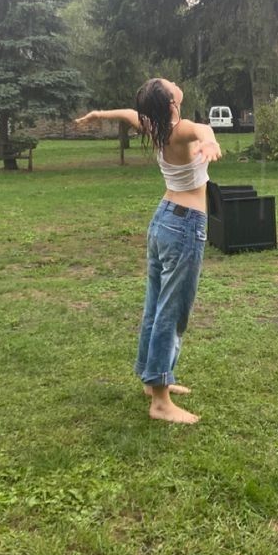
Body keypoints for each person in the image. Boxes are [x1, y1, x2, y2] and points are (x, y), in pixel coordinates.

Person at [76, 78, 222, 423]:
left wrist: (99, 113)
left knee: (156, 305)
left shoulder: (153, 125)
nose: (173, 82)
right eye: (169, 84)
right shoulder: (179, 127)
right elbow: (202, 129)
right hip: (183, 226)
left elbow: (128, 113)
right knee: (172, 311)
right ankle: (159, 401)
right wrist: (210, 142)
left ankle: (153, 377)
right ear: (171, 102)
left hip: (162, 223)